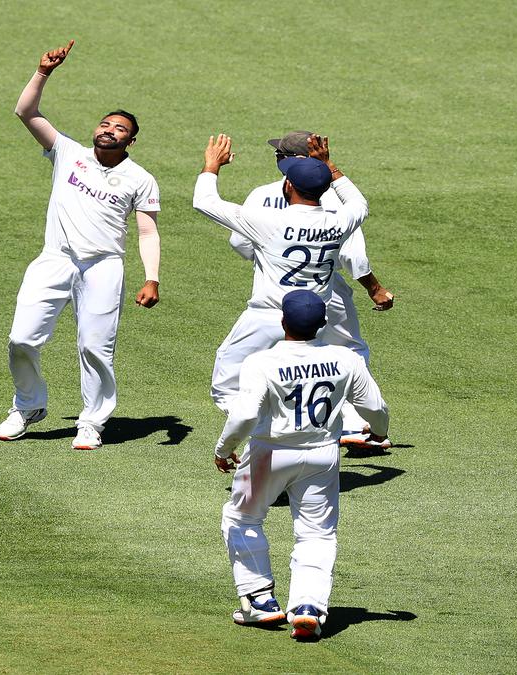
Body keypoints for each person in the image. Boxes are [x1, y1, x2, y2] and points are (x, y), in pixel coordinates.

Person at [0, 40, 163, 450]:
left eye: (119, 128)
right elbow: (26, 112)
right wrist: (43, 72)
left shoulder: (140, 179)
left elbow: (147, 231)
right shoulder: (68, 152)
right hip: (55, 259)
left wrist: (152, 278)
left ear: (130, 141)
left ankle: (92, 421)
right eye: (105, 124)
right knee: (21, 339)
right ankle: (29, 405)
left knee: (94, 346)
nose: (109, 130)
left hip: (104, 266)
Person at [213, 290, 389, 639]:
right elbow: (374, 408)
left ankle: (260, 599)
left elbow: (245, 414)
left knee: (241, 518)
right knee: (316, 533)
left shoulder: (260, 362)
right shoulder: (345, 359)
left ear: (282, 322)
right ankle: (308, 606)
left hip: (268, 454)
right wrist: (379, 433)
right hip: (322, 455)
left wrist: (223, 448)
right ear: (324, 324)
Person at [226, 131, 395, 448]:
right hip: (327, 293)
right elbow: (352, 255)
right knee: (349, 353)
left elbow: (238, 242)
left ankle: (275, 422)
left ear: (293, 164)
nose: (277, 159)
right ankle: (360, 426)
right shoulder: (331, 199)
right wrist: (375, 288)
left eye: (281, 155)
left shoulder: (262, 194)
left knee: (269, 362)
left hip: (274, 293)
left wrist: (269, 260)